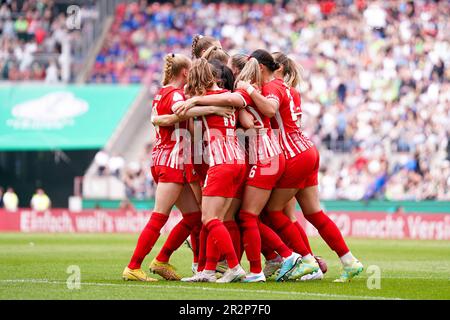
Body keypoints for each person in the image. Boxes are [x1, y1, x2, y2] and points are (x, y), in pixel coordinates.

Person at [237, 49, 363, 282]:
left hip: (292, 154)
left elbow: (270, 109)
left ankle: (305, 260)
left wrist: (249, 89)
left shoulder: (272, 87)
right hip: (307, 150)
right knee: (313, 212)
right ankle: (349, 260)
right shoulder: (291, 90)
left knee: (274, 210)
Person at [178, 56, 304, 282]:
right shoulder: (236, 97)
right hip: (241, 160)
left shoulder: (233, 94)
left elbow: (184, 116)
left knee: (219, 217)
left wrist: (195, 104)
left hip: (233, 159)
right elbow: (242, 113)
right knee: (229, 217)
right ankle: (210, 269)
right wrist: (210, 106)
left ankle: (248, 264)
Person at [123, 53, 233, 282]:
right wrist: (212, 109)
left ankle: (161, 260)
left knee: (194, 216)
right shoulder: (174, 95)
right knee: (160, 215)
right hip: (172, 159)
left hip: (169, 158)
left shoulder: (162, 92)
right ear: (185, 72)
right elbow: (180, 112)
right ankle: (134, 266)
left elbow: (164, 116)